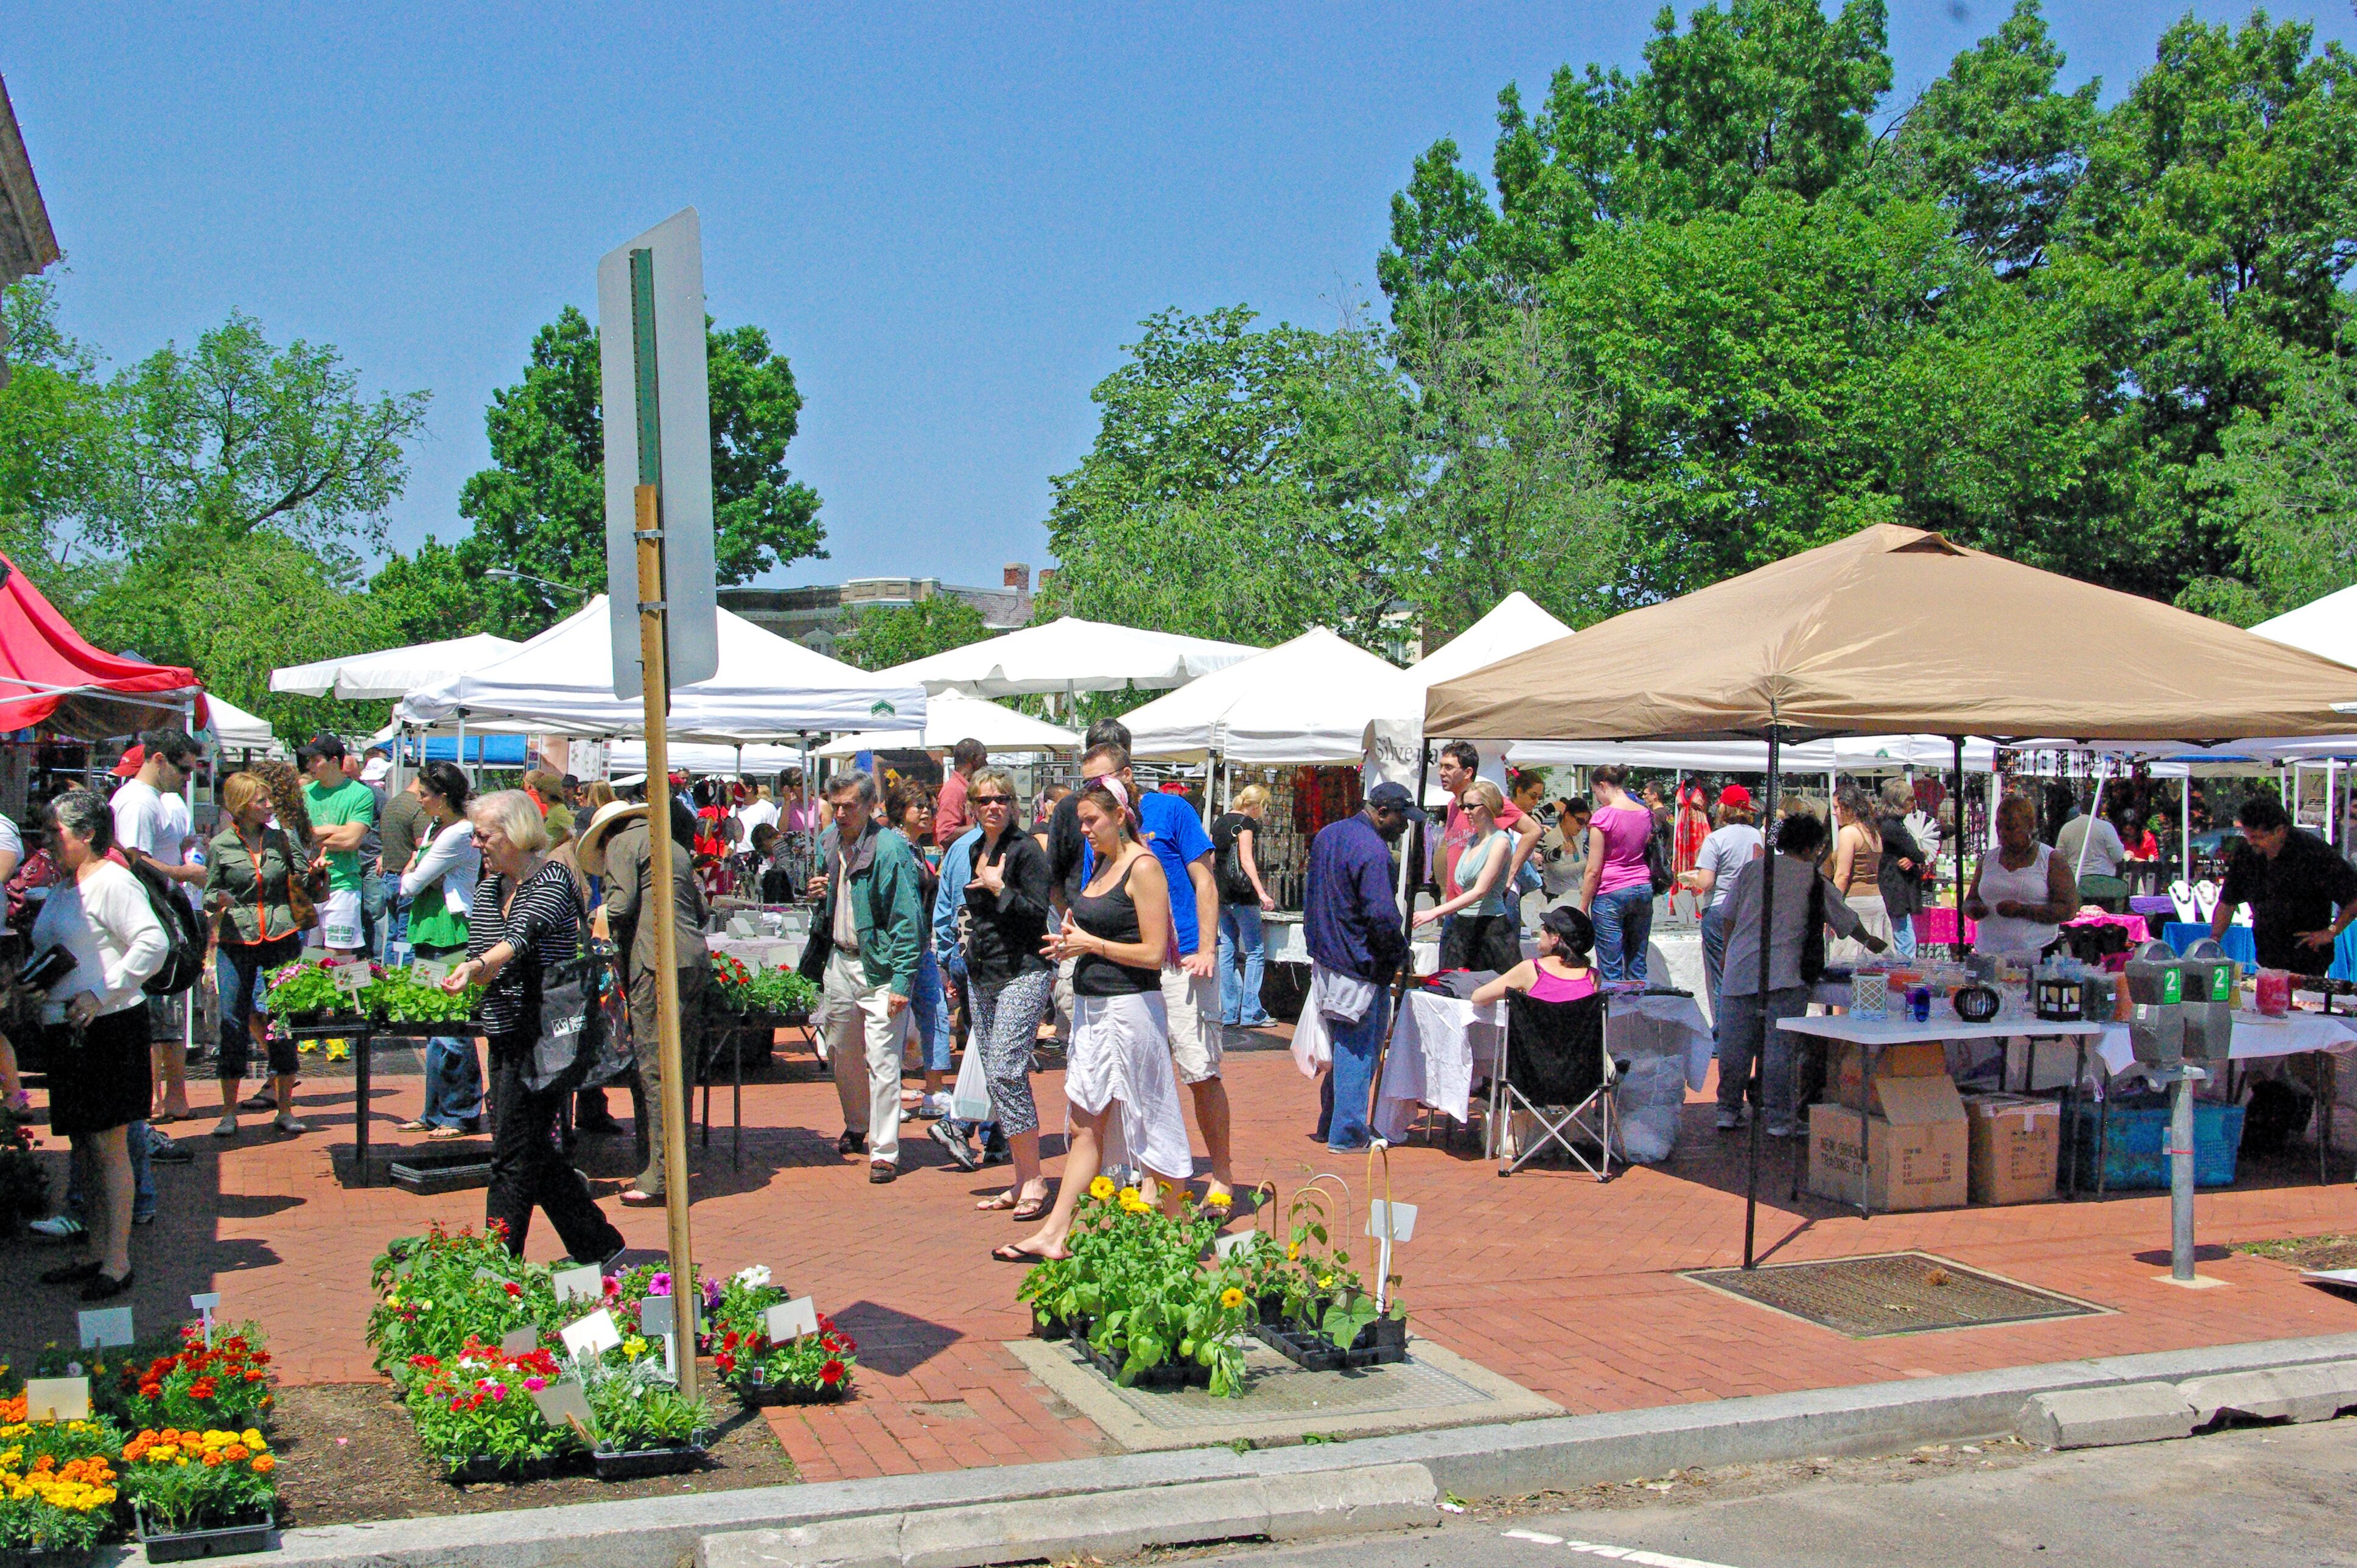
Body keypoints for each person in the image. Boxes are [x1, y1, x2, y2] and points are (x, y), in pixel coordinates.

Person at [996, 780, 1186, 1261]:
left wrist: (1092, 945)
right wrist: (1071, 942)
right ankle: (1055, 1234)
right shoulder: (1098, 864)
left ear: (1120, 816)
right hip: (1091, 1008)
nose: (1084, 830)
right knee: (1084, 1125)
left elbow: (1151, 952)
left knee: (1151, 1119)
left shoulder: (1144, 867)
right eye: (1080, 821)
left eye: (1091, 820)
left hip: (1132, 1010)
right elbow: (1093, 927)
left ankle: (1174, 1234)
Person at [439, 790, 624, 1266]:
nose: (477, 845)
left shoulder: (553, 877)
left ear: (516, 833)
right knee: (531, 1148)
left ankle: (495, 1266)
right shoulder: (488, 886)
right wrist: (473, 969)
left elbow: (521, 936)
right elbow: (484, 943)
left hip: (547, 1033)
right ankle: (597, 1243)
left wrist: (479, 966)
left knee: (511, 1154)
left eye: (484, 836)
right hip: (505, 1028)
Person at [1076, 743, 1235, 1203]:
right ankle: (1149, 1179)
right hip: (1133, 967)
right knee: (1136, 1075)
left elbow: (1204, 878)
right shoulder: (1100, 828)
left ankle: (1221, 1176)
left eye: (1103, 779)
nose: (1095, 790)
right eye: (1088, 783)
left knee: (1199, 1069)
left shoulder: (1172, 810)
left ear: (1127, 773)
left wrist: (1205, 947)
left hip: (1183, 958)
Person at [30, 788, 168, 1300]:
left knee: (110, 1145)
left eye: (55, 832)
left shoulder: (112, 881)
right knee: (85, 1143)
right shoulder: (68, 885)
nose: (47, 841)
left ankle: (117, 1260)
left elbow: (152, 943)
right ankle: (94, 1251)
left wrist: (103, 990)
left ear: (87, 834)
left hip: (108, 1027)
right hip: (69, 1028)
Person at [1714, 811, 1885, 1136]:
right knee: (1779, 1049)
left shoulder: (1753, 870)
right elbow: (1846, 920)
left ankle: (1727, 1110)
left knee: (1735, 1046)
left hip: (1741, 969)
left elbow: (1727, 916)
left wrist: (1726, 954)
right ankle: (1779, 1118)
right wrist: (1874, 943)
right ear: (1813, 848)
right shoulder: (1812, 878)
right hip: (1787, 974)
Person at [583, 794, 709, 1205]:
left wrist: (592, 926)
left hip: (656, 965)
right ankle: (671, 1166)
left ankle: (659, 1177)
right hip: (692, 960)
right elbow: (701, 909)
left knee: (655, 1070)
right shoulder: (671, 845)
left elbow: (619, 906)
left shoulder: (623, 843)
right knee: (681, 1070)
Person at [806, 770, 925, 1184]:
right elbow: (830, 899)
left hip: (880, 966)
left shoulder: (891, 849)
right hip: (840, 960)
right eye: (834, 805)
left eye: (848, 806)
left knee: (884, 1061)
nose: (839, 813)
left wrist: (901, 981)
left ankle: (885, 1151)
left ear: (870, 807)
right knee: (839, 1051)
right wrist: (818, 891)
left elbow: (909, 920)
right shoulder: (829, 843)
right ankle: (858, 1124)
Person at [953, 769, 1053, 1215]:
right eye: (984, 800)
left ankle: (1035, 1180)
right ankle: (1020, 1176)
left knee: (1010, 1070)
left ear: (1013, 805)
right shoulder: (977, 848)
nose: (993, 806)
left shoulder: (1026, 850)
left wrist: (999, 888)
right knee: (996, 1076)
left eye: (1001, 799)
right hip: (983, 971)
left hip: (1024, 970)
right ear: (973, 806)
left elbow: (1037, 912)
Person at [1303, 782, 1413, 1152]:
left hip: (1332, 956)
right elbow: (1381, 915)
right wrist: (1398, 953)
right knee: (1358, 1049)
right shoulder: (1373, 851)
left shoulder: (1330, 835)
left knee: (1347, 1044)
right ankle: (1347, 1134)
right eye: (1401, 818)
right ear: (1382, 812)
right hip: (1358, 962)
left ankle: (1331, 1124)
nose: (1405, 827)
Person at [203, 772, 307, 1140]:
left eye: (268, 800)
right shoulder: (221, 845)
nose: (269, 806)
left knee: (283, 1020)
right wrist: (218, 900)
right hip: (237, 937)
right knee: (232, 1021)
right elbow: (209, 890)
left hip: (281, 933)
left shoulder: (282, 838)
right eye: (261, 801)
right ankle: (228, 1113)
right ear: (242, 804)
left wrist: (317, 875)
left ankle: (285, 1109)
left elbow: (304, 881)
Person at [111, 731, 205, 1127]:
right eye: (184, 769)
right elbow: (135, 861)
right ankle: (151, 1100)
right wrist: (187, 873)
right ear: (160, 760)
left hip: (161, 914)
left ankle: (174, 1096)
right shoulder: (136, 802)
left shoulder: (154, 801)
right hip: (147, 917)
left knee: (169, 1008)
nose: (188, 778)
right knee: (153, 1008)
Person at [394, 761, 482, 1138]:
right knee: (431, 1024)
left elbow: (410, 882)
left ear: (443, 797)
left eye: (425, 794)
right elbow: (412, 875)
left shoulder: (459, 833)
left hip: (452, 929)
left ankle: (460, 1112)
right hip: (427, 928)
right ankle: (434, 1110)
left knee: (452, 1025)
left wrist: (417, 868)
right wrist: (416, 869)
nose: (419, 799)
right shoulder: (435, 827)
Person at [2214, 794, 2357, 976]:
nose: (2253, 843)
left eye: (2258, 837)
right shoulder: (2247, 853)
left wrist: (2331, 931)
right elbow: (2227, 902)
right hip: (2267, 953)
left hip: (2308, 956)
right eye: (2249, 836)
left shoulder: (2314, 853)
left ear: (2280, 831)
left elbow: (2354, 898)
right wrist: (2215, 938)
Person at [887, 788, 954, 1119]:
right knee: (894, 1023)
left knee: (936, 1013)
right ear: (900, 810)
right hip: (900, 949)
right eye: (919, 807)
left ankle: (935, 1090)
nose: (927, 812)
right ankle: (891, 1095)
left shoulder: (916, 848)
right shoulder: (893, 846)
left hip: (923, 947)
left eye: (930, 807)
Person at [1413, 778, 1520, 971]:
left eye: (1471, 806)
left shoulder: (1500, 842)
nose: (1466, 812)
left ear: (1488, 806)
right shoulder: (1472, 840)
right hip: (1463, 925)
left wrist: (1434, 912)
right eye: (1464, 806)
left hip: (1490, 929)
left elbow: (1480, 891)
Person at [1434, 742, 1540, 923]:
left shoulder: (1487, 800)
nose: (1442, 772)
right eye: (1441, 766)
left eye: (1449, 767)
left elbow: (1533, 831)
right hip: (1457, 906)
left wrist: (1510, 874)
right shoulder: (1452, 806)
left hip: (1486, 909)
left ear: (1468, 773)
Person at [1679, 783, 1761, 1019]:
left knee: (1721, 976)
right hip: (1750, 910)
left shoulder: (1716, 839)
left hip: (1720, 909)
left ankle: (1722, 1035)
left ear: (1725, 808)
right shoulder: (1758, 836)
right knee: (1745, 973)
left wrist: (1692, 880)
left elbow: (1706, 881)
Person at [1966, 794, 2079, 959]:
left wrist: (2023, 910)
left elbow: (2068, 910)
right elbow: (1970, 900)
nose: (2003, 833)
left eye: (2011, 828)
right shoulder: (1987, 860)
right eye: (1999, 827)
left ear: (2030, 826)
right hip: (1988, 953)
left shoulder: (2051, 859)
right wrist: (1974, 908)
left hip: (2037, 953)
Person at [299, 735, 376, 958]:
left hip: (343, 882)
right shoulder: (304, 794)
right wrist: (338, 829)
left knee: (339, 956)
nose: (309, 766)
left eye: (316, 760)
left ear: (334, 761)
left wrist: (314, 833)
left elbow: (352, 840)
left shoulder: (360, 794)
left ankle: (343, 995)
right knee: (310, 956)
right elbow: (298, 838)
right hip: (307, 884)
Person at [1580, 765, 1657, 985]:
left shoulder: (1603, 817)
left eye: (1596, 793)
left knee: (1611, 968)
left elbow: (1593, 870)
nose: (1597, 799)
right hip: (1642, 887)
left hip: (1611, 892)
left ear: (1603, 786)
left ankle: (1614, 1017)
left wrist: (1583, 905)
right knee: (1637, 962)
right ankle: (1638, 1014)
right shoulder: (1644, 813)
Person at [1211, 784, 1276, 1029]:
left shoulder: (1219, 823)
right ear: (1256, 805)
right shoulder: (1247, 824)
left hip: (1223, 893)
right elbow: (1246, 859)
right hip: (1243, 894)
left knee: (1227, 950)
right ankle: (1251, 1011)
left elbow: (1212, 857)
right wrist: (1261, 892)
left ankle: (1229, 1010)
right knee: (1255, 951)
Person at [1471, 904, 1599, 1007]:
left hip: (1535, 1038)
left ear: (1555, 938)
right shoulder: (1593, 977)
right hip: (1578, 1039)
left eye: (1544, 927)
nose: (1541, 931)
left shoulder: (1531, 969)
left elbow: (1478, 998)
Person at [1828, 784, 1893, 965]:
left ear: (1849, 807)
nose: (1834, 813)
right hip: (1876, 901)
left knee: (1850, 965)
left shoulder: (1849, 832)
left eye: (1837, 807)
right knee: (1875, 964)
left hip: (1855, 903)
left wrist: (1833, 908)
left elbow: (1842, 875)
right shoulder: (1873, 833)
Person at [377, 758, 429, 959]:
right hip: (405, 879)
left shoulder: (393, 803)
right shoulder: (416, 807)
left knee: (393, 936)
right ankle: (404, 982)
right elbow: (421, 846)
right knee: (407, 937)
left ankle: (389, 979)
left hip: (389, 878)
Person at [1874, 779, 1930, 960]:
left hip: (1897, 884)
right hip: (1895, 886)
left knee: (1903, 932)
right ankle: (1905, 971)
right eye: (1911, 799)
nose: (1914, 803)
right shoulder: (1892, 826)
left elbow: (1914, 855)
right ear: (1900, 802)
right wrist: (1920, 855)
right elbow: (1916, 853)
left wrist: (1916, 857)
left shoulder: (1894, 824)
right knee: (1904, 936)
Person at [1536, 796, 1591, 911]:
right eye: (1580, 821)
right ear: (1567, 816)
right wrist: (1588, 863)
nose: (1582, 827)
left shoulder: (1578, 837)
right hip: (1557, 898)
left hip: (1576, 896)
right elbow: (1559, 872)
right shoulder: (1552, 838)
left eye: (1586, 822)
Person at [2056, 800, 2128, 881]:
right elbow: (2118, 856)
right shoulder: (2106, 827)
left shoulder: (2066, 828)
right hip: (2103, 880)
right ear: (2099, 808)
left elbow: (2059, 857)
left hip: (2076, 880)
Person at [936, 737, 985, 847]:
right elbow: (945, 836)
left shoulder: (965, 788)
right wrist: (982, 826)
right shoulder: (954, 790)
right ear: (974, 759)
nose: (986, 763)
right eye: (984, 758)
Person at [1672, 783, 1711, 877]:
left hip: (1698, 826)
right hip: (1683, 828)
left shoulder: (1703, 787)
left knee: (1699, 852)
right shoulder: (1678, 788)